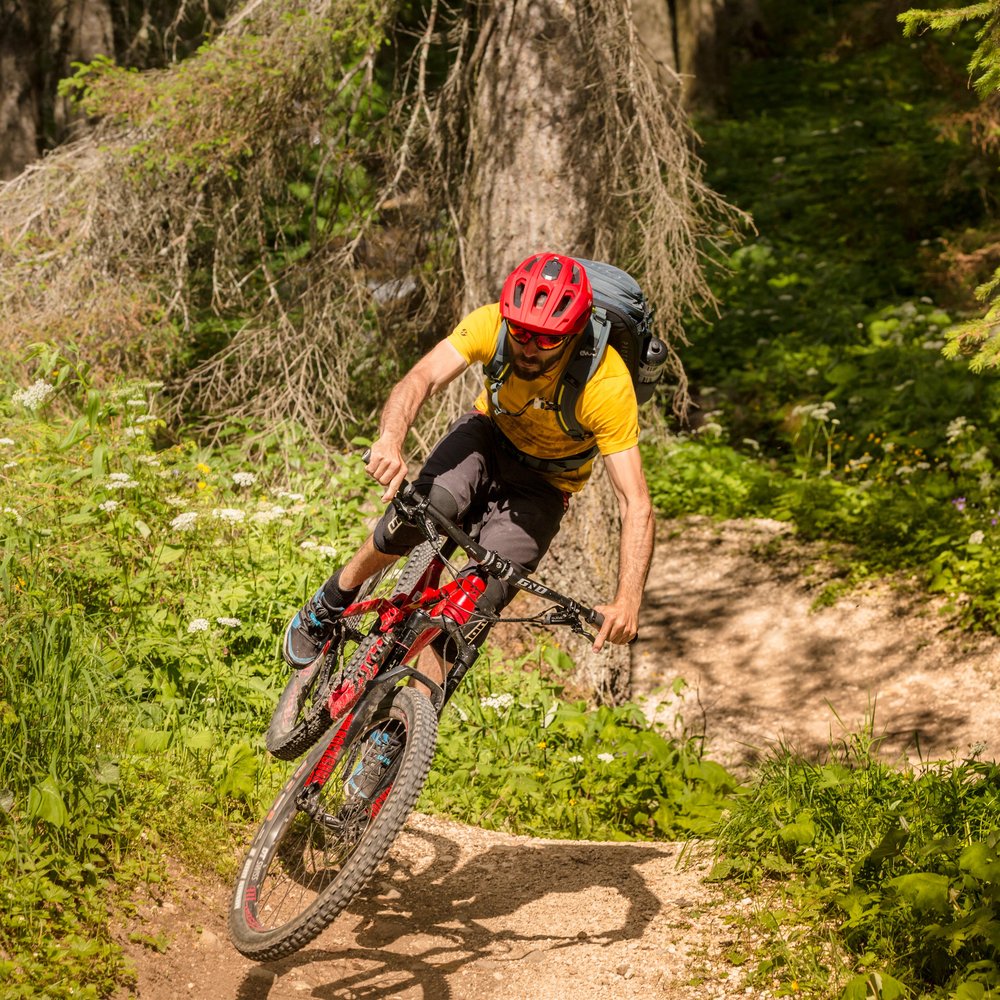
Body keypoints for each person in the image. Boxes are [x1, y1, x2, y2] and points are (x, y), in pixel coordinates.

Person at [282, 251, 655, 688]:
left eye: (547, 340)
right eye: (521, 332)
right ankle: (331, 599)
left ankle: (403, 728)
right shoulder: (492, 323)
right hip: (486, 440)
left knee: (472, 607)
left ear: (573, 333)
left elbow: (636, 503)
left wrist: (628, 599)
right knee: (421, 512)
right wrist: (390, 438)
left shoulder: (606, 386)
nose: (529, 347)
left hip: (545, 485)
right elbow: (422, 377)